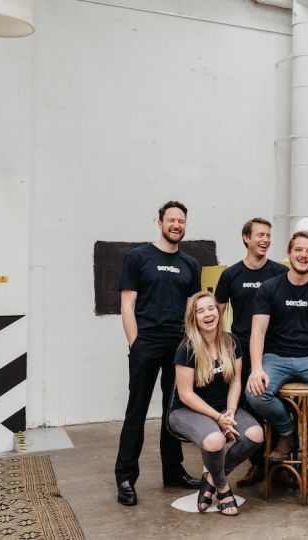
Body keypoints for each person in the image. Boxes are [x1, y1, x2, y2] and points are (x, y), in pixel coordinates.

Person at [115, 201, 202, 507]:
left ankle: (173, 471)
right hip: (146, 343)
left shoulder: (190, 264)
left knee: (173, 410)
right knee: (136, 411)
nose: (176, 225)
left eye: (181, 221)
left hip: (179, 345)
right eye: (171, 220)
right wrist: (135, 344)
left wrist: (192, 345)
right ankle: (125, 477)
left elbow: (193, 309)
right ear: (160, 223)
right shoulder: (138, 257)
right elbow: (127, 305)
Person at [245, 231, 308, 462]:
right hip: (275, 357)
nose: (304, 255)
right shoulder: (269, 287)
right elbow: (258, 332)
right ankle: (287, 432)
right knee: (254, 394)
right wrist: (257, 368)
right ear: (289, 253)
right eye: (299, 250)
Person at [168, 292, 264, 516]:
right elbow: (186, 395)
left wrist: (230, 412)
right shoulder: (187, 348)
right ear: (194, 318)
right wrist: (218, 418)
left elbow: (236, 382)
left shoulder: (232, 341)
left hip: (224, 408)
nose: (207, 314)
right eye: (200, 311)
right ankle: (222, 488)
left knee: (255, 435)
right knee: (214, 440)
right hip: (188, 410)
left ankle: (210, 478)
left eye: (211, 308)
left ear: (218, 312)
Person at [214, 218, 287, 487]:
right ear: (246, 238)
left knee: (278, 404)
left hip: (275, 351)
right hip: (241, 350)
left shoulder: (279, 273)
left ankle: (280, 466)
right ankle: (258, 465)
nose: (266, 240)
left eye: (269, 235)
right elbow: (217, 315)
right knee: (250, 407)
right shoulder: (231, 275)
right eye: (260, 235)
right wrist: (219, 349)